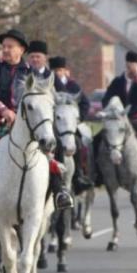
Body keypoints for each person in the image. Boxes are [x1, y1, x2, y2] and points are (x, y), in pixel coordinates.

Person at [0, 29, 73, 213]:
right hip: (0, 122)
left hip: (30, 125)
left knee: (57, 145)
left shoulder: (33, 74)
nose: (5, 50)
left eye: (10, 47)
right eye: (4, 47)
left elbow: (41, 100)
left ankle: (59, 190)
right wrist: (3, 110)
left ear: (21, 50)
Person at [99, 51, 137, 180]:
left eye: (134, 64)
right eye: (130, 64)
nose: (131, 66)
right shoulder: (118, 81)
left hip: (135, 118)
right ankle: (98, 172)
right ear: (126, 64)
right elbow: (106, 98)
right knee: (100, 137)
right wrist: (109, 109)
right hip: (117, 118)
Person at [49, 56, 93, 192]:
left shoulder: (72, 85)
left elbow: (85, 103)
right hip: (53, 124)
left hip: (70, 125)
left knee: (78, 143)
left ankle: (79, 175)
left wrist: (79, 120)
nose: (57, 73)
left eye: (60, 70)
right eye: (55, 70)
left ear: (65, 71)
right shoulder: (49, 86)